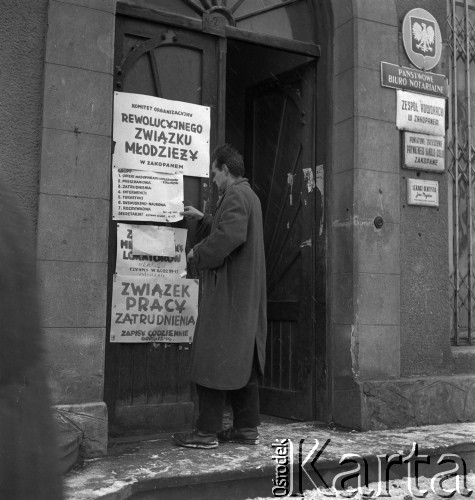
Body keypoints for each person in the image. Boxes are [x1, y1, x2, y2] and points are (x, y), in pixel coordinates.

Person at [172, 144, 267, 449]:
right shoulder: (248, 195)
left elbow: (230, 237)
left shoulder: (236, 194)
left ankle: (205, 433)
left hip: (230, 295)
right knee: (243, 360)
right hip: (243, 295)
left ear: (226, 169)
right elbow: (230, 228)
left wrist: (196, 254)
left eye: (214, 173)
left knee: (211, 357)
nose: (212, 180)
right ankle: (246, 430)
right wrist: (204, 218)